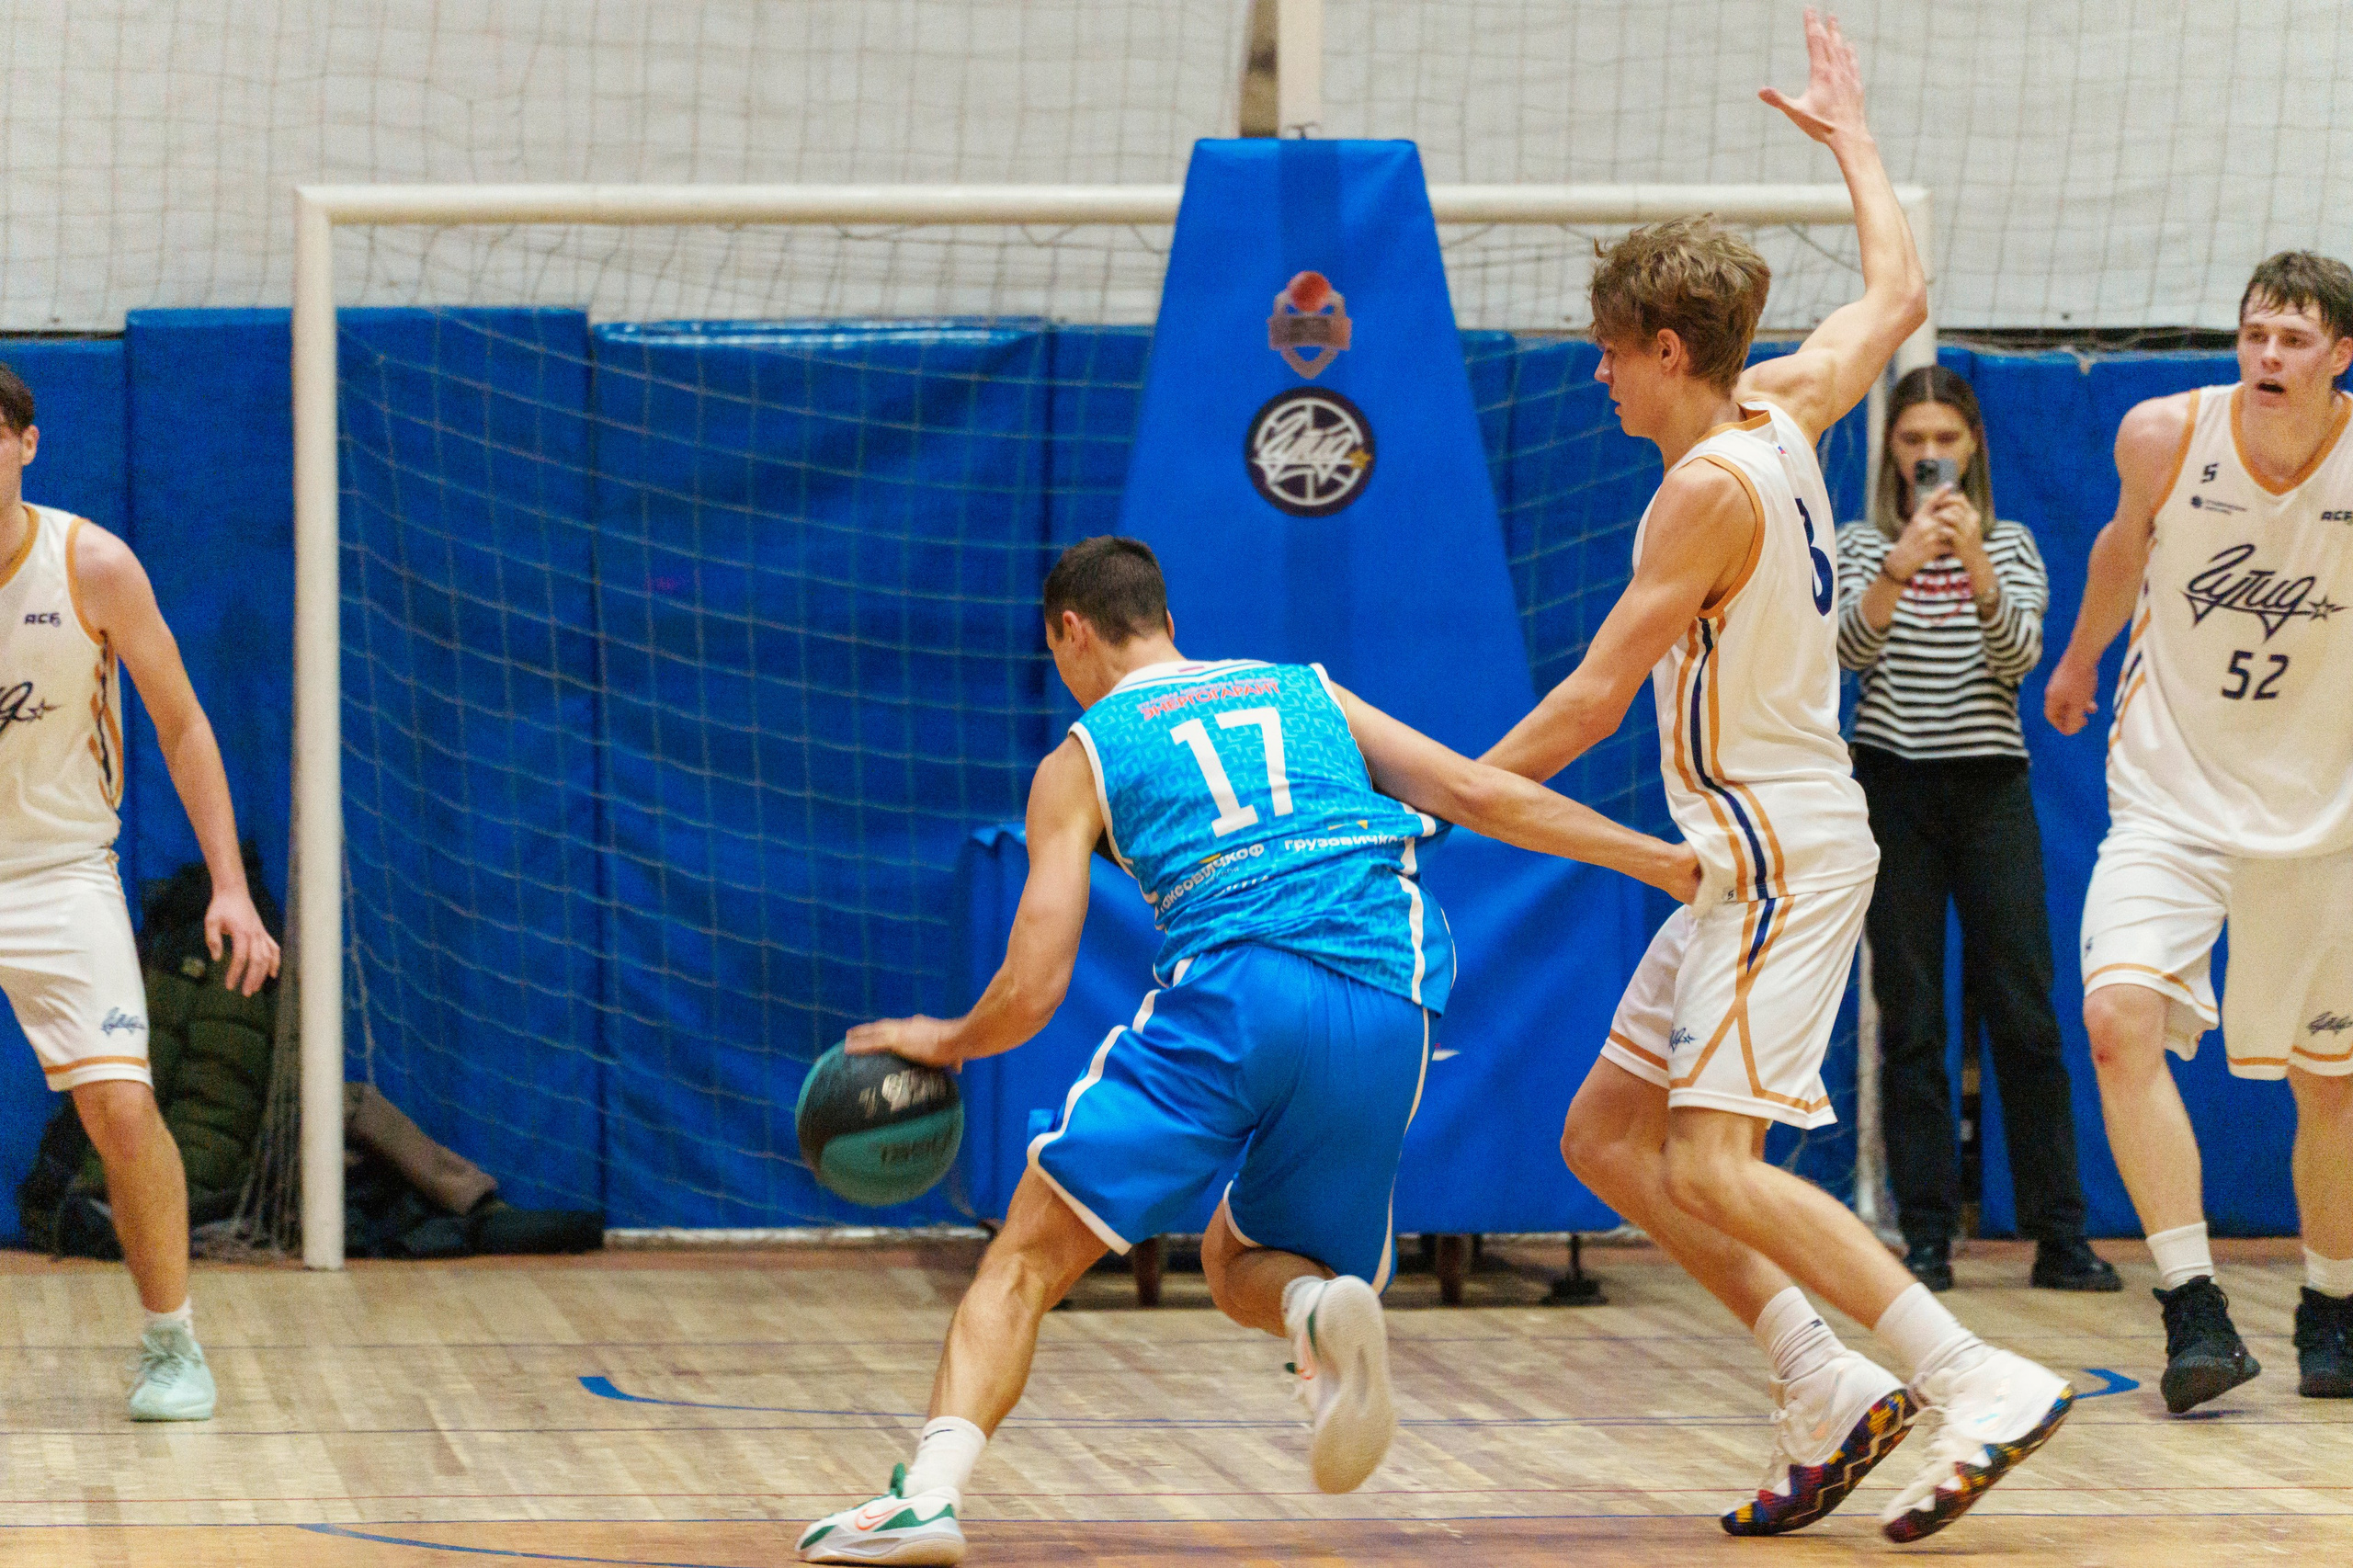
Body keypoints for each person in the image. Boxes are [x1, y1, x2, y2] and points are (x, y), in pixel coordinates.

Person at [795, 536, 1702, 1565]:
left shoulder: (1084, 753)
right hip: (1391, 983)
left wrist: (948, 1040)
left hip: (1237, 989)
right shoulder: (1306, 689)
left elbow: (1037, 982)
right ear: (1168, 620)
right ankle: (1316, 1312)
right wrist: (1660, 860)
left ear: (1070, 631)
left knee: (1026, 1258)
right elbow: (1478, 794)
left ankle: (929, 1496)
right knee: (1242, 1262)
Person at [1482, 11, 2073, 1543]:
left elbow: (1593, 697)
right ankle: (1823, 1380)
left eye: (1610, 351)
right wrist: (1851, 142)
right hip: (1754, 839)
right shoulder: (1790, 400)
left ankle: (1972, 1373)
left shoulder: (1697, 494)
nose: (1599, 375)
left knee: (1716, 1162)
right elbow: (1900, 291)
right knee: (1606, 1140)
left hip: (1775, 854)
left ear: (1664, 351)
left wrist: (1451, 789)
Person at [2043, 250, 2353, 1412]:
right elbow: (2123, 545)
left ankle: (2332, 1303)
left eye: (2294, 339)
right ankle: (2193, 1305)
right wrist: (2078, 657)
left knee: (2330, 1086)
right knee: (2117, 1019)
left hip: (2322, 815)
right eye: (2255, 334)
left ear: (2340, 355)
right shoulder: (2163, 434)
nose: (2268, 357)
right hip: (2168, 795)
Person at [0, 361, 279, 1420]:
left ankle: (172, 1343)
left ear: (27, 442)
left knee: (122, 1104)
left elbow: (183, 722)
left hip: (58, 873)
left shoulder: (92, 565)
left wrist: (229, 886)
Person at [1835, 366, 2118, 1294]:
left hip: (1990, 784)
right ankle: (1923, 1233)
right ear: (1891, 451)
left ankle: (2058, 1232)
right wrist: (1899, 566)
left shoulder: (2015, 543)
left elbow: (2020, 658)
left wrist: (1978, 566)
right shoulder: (1858, 543)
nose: (1927, 455)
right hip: (1892, 789)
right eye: (1911, 439)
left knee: (2025, 1014)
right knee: (1911, 1018)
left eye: (1942, 439)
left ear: (1971, 447)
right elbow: (1846, 653)